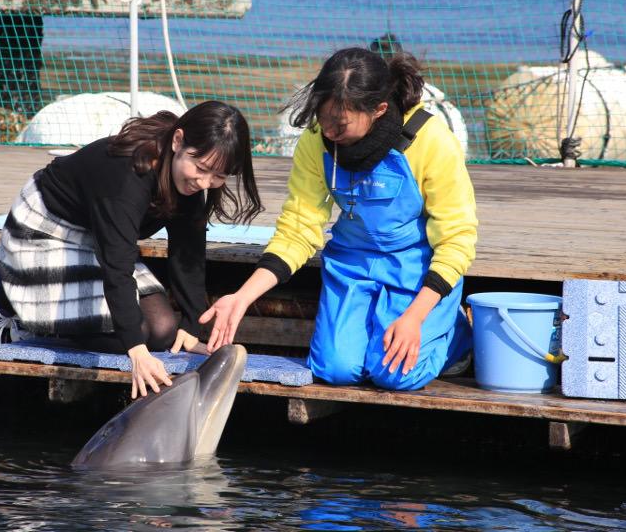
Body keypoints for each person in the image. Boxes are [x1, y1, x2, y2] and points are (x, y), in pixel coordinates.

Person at [201, 48, 477, 390]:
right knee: (335, 371)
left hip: (415, 267)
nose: (329, 131)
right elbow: (298, 229)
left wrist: (416, 316)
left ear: (378, 110)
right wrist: (243, 295)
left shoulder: (430, 140)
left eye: (340, 123)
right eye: (323, 116)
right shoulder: (316, 140)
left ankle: (456, 336)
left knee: (396, 375)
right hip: (352, 264)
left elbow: (457, 239)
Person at [0, 100, 263, 399]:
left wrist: (191, 324)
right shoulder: (128, 176)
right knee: (131, 338)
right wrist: (136, 352)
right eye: (200, 168)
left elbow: (189, 253)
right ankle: (6, 296)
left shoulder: (189, 181)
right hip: (44, 230)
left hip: (96, 236)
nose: (204, 182)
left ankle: (44, 314)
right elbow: (117, 266)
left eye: (219, 176)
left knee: (162, 330)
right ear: (178, 141)